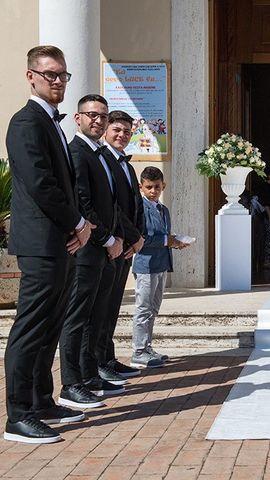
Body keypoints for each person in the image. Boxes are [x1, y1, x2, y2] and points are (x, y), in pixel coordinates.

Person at [4, 45, 95, 443]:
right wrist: (77, 222)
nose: (57, 81)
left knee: (51, 324)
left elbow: (65, 183)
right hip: (41, 240)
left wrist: (76, 228)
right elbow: (41, 184)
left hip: (60, 240)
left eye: (62, 75)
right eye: (49, 74)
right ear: (31, 76)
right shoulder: (26, 123)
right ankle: (18, 415)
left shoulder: (51, 122)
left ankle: (42, 401)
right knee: (31, 326)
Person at [59, 94, 128, 410]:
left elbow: (112, 203)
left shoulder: (100, 154)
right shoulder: (77, 153)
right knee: (77, 317)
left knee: (95, 316)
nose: (98, 121)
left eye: (102, 115)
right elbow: (83, 203)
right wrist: (106, 238)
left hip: (103, 248)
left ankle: (89, 375)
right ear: (78, 118)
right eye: (92, 115)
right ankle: (71, 383)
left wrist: (117, 237)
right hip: (88, 248)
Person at [101, 111, 147, 371]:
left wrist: (138, 238)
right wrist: (132, 236)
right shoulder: (102, 159)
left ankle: (108, 358)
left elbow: (136, 205)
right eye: (117, 130)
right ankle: (98, 363)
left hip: (127, 247)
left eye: (127, 132)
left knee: (113, 307)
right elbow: (113, 206)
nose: (122, 135)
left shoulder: (127, 165)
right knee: (101, 309)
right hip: (112, 243)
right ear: (107, 130)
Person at [131, 167, 187, 367]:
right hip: (145, 264)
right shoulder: (140, 208)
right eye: (149, 187)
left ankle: (147, 346)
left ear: (163, 186)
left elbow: (165, 237)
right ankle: (138, 350)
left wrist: (175, 242)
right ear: (141, 187)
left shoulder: (163, 210)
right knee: (143, 308)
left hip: (161, 263)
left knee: (153, 308)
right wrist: (167, 240)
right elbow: (142, 237)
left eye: (157, 187)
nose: (153, 191)